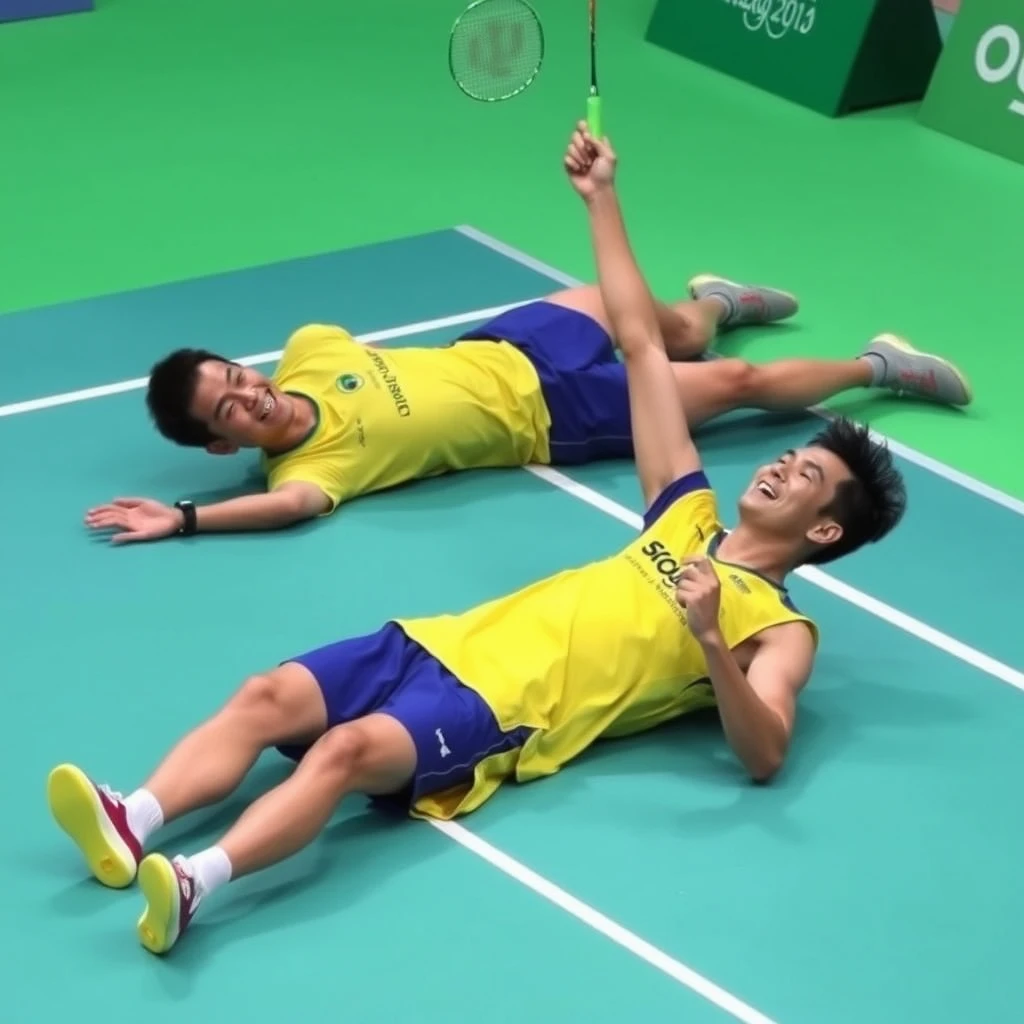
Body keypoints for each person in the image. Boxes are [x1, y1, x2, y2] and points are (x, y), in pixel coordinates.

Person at [49, 122, 909, 955]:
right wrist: (600, 197)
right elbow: (643, 345)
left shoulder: (779, 630)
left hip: (503, 709)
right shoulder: (685, 512)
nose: (778, 469)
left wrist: (713, 636)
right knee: (264, 695)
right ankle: (137, 818)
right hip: (446, 638)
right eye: (788, 457)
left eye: (803, 478)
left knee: (344, 753)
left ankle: (198, 881)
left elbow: (765, 752)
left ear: (825, 529)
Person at [83, 224, 964, 546]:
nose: (250, 393)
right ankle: (880, 364)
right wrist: (186, 517)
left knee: (673, 325)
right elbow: (287, 511)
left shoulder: (311, 347)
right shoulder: (310, 472)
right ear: (222, 443)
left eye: (237, 376)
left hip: (514, 341)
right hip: (557, 415)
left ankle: (708, 305)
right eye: (229, 408)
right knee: (729, 381)